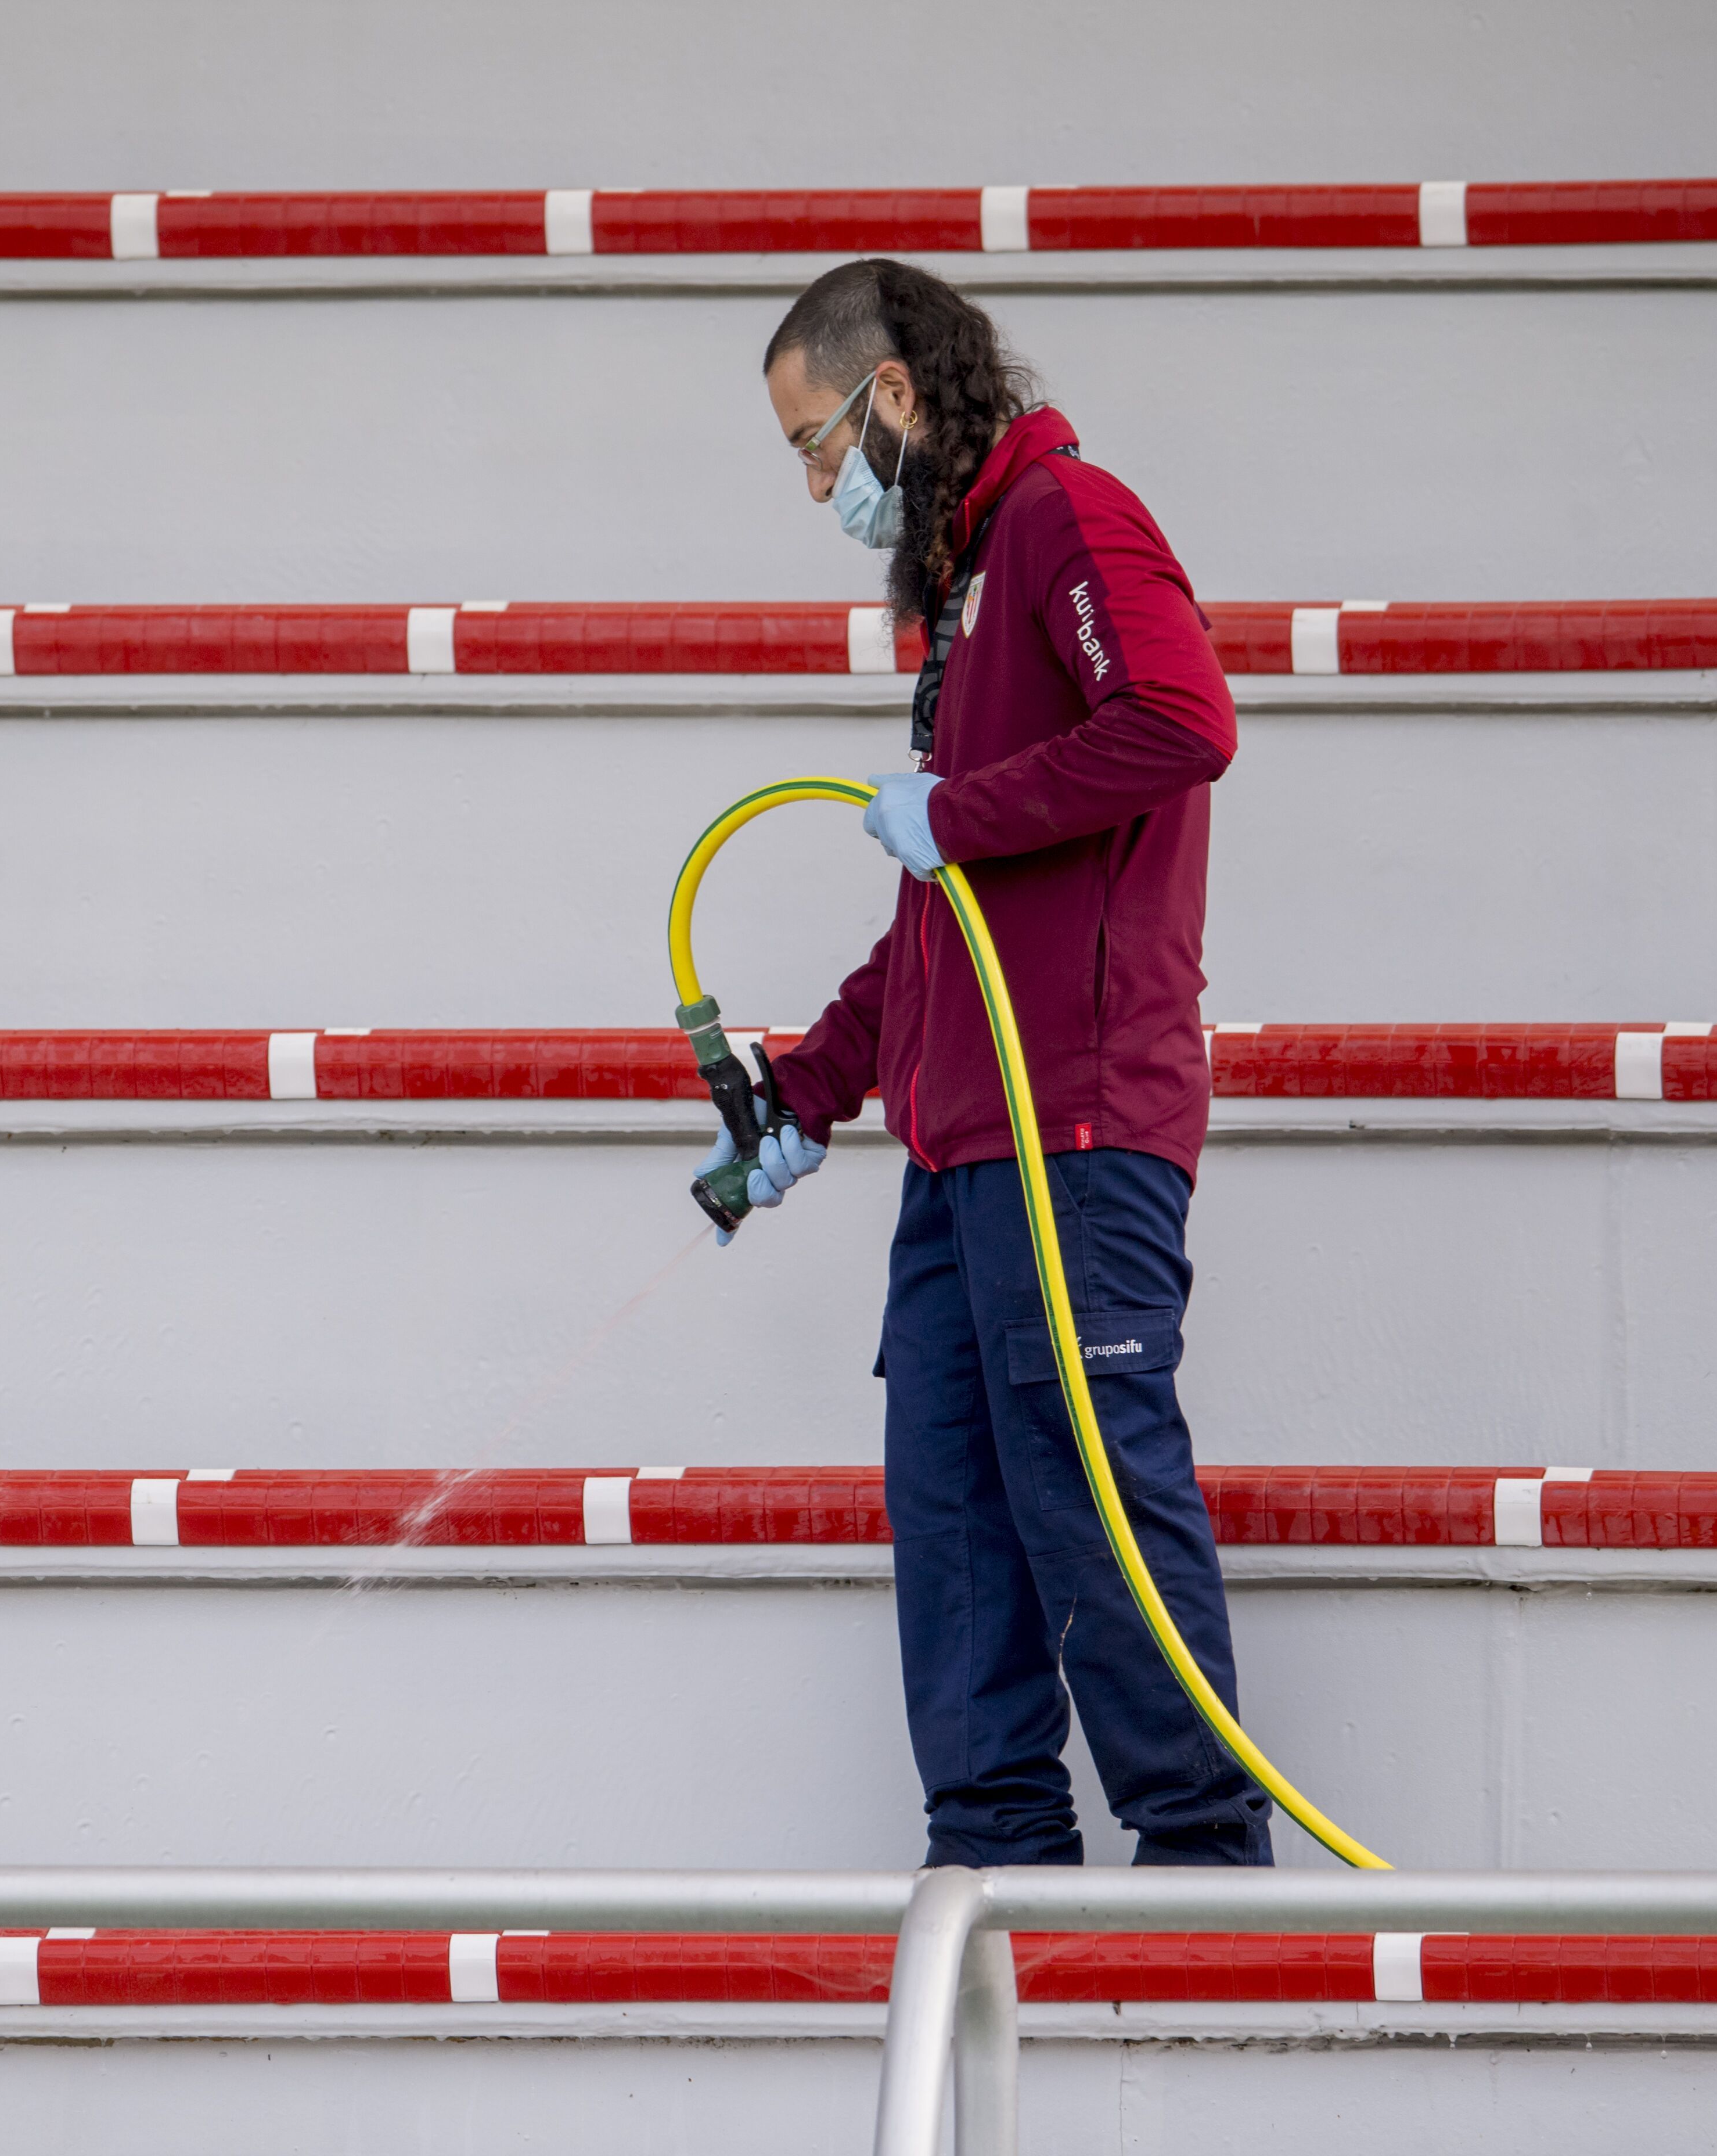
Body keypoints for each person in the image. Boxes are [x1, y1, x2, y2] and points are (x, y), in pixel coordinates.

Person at [715, 257, 1270, 1868]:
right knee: (956, 1521)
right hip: (966, 1155)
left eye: (819, 444)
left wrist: (954, 811)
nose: (819, 484)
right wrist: (806, 1091)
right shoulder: (959, 596)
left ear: (894, 393)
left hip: (1077, 1134)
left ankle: (1204, 1863)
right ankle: (998, 1863)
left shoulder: (1068, 520)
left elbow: (1181, 719)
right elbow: (938, 930)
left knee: (1093, 1496)